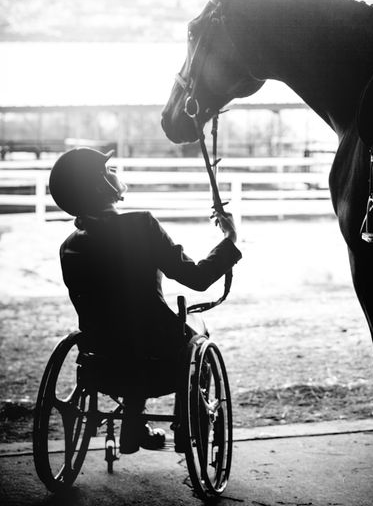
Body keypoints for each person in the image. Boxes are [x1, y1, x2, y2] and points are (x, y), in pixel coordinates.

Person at [49, 147, 241, 454]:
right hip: (157, 362)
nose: (115, 173)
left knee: (128, 328)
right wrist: (230, 240)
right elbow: (197, 278)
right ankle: (188, 429)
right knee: (196, 331)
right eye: (108, 170)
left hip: (102, 363)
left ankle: (133, 424)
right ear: (100, 185)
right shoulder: (141, 225)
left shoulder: (68, 247)